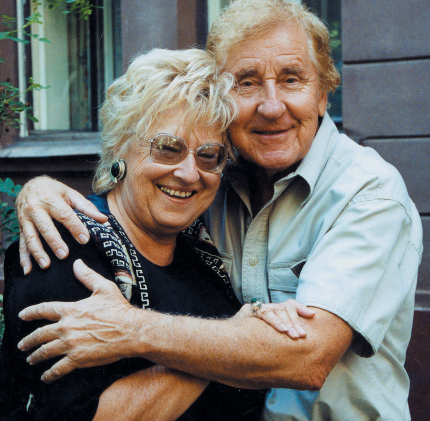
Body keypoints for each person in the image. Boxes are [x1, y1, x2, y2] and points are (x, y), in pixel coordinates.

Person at [12, 0, 423, 420]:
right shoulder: (210, 186)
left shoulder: (368, 194)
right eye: (247, 82)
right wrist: (36, 189)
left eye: (291, 79)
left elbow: (307, 358)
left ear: (323, 95)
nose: (271, 106)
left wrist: (130, 329)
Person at [0, 47, 314, 421]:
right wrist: (231, 346)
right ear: (120, 145)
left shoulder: (203, 252)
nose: (189, 173)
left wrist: (236, 342)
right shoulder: (64, 246)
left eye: (209, 155)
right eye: (167, 148)